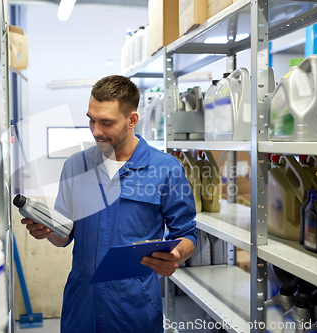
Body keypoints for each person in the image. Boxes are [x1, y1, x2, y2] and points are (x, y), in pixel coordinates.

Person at [21, 75, 197, 332]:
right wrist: (47, 231)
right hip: (82, 302)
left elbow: (187, 235)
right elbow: (63, 237)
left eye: (106, 123)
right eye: (91, 120)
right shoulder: (75, 165)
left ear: (132, 120)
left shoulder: (166, 169)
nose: (96, 131)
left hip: (135, 305)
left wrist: (176, 255)